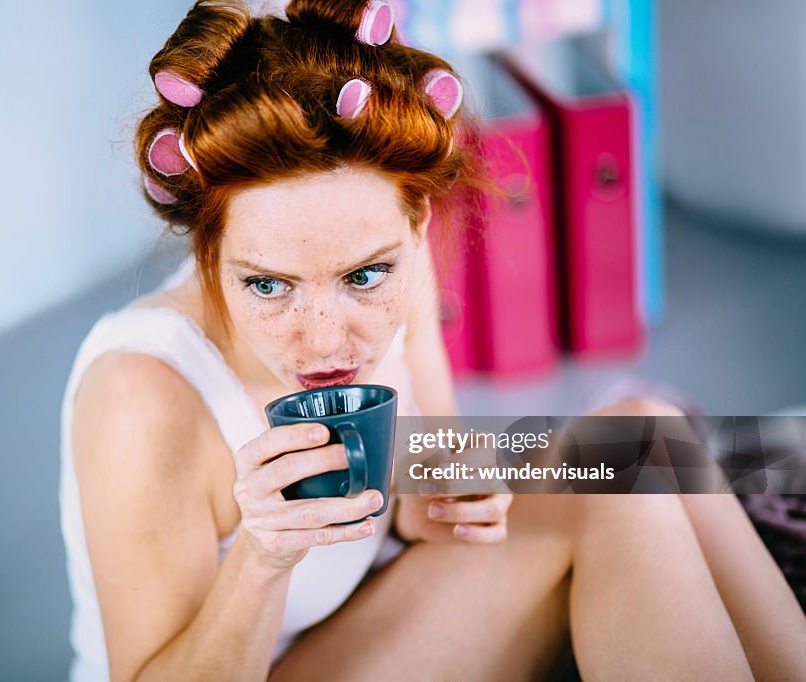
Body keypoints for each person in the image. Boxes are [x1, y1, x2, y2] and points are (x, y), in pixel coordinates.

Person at [59, 1, 806, 680]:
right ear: (210, 254)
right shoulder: (143, 395)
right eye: (267, 285)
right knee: (623, 489)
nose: (325, 339)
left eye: (365, 277)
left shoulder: (397, 268)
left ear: (416, 232)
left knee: (646, 435)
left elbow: (421, 488)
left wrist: (439, 501)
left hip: (373, 617)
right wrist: (262, 557)